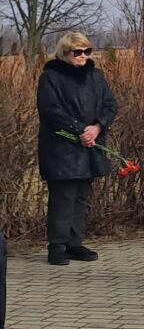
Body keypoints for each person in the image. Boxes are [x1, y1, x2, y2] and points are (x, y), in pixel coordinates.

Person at [36, 32, 118, 266]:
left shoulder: (96, 76)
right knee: (63, 196)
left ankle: (74, 242)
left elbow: (110, 105)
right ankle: (57, 246)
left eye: (87, 51)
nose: (83, 56)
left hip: (90, 145)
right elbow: (50, 110)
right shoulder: (50, 77)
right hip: (62, 147)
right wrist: (81, 130)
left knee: (82, 196)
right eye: (78, 52)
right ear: (65, 53)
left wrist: (98, 127)